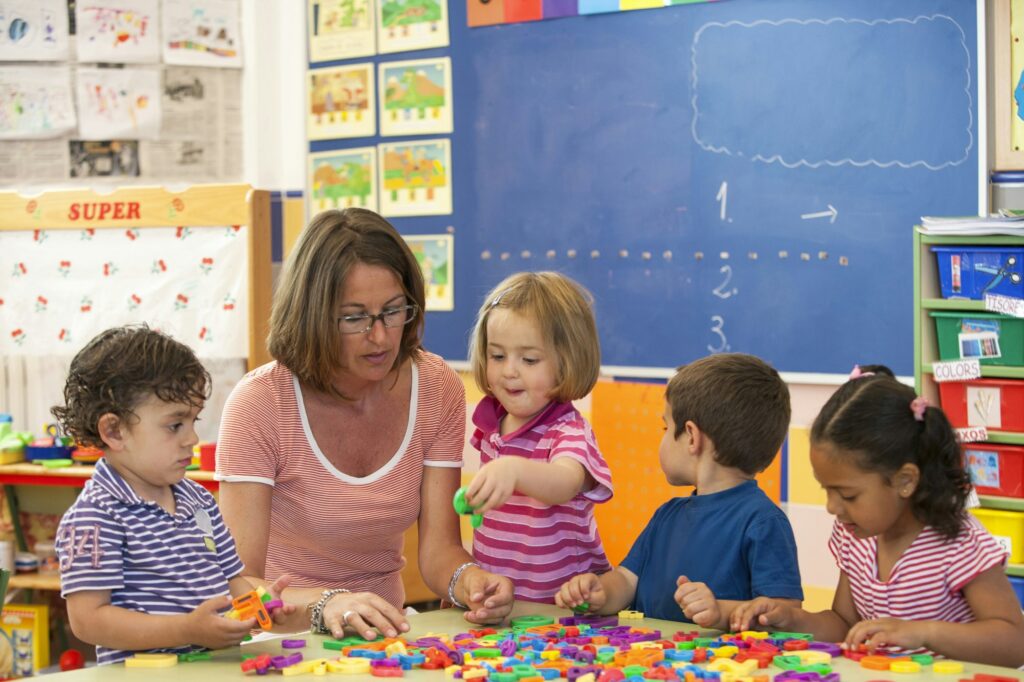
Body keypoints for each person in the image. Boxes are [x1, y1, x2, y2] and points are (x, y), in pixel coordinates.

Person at [215, 208, 514, 641]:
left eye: (394, 310)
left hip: (389, 635)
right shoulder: (261, 402)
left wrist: (469, 580)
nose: (381, 337)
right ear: (312, 316)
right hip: (283, 639)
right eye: (355, 318)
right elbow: (239, 587)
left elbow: (437, 552)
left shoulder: (436, 387)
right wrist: (325, 604)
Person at [731, 365, 1024, 667]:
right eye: (826, 490)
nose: (832, 507)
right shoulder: (855, 535)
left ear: (905, 481)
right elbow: (844, 623)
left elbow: (1014, 643)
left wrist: (923, 633)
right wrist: (791, 619)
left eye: (847, 495)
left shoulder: (959, 542)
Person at [52, 326, 294, 665]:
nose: (192, 438)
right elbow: (88, 620)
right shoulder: (95, 517)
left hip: (215, 669)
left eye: (194, 420)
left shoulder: (199, 500)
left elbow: (232, 579)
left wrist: (262, 603)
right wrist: (187, 630)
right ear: (114, 430)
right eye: (175, 425)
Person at [556, 353, 802, 628]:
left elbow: (784, 615)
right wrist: (600, 592)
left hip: (719, 669)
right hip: (647, 665)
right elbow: (626, 580)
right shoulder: (667, 515)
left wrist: (720, 610)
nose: (662, 436)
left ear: (692, 437)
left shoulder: (764, 522)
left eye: (665, 426)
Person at [464, 272, 613, 602]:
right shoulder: (491, 426)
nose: (509, 371)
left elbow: (564, 482)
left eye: (529, 359)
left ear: (567, 362)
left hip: (565, 609)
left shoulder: (568, 431)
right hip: (505, 605)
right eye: (497, 356)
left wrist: (513, 470)